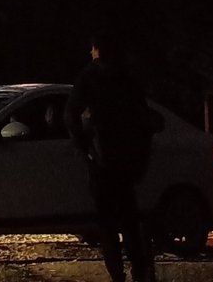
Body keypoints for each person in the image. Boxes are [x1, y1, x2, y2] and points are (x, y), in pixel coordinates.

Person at [64, 32, 161, 282]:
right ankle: (138, 269)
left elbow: (71, 114)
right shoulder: (125, 77)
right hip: (124, 161)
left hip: (102, 161)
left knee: (107, 223)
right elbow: (142, 114)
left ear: (97, 50)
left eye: (92, 48)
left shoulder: (89, 77)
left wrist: (83, 146)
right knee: (129, 219)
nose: (90, 53)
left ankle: (118, 274)